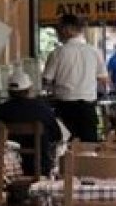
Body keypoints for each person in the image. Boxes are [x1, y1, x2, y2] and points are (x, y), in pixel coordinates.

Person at [0, 69, 62, 177]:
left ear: (9, 92)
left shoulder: (1, 110)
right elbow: (57, 136)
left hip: (10, 168)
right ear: (29, 89)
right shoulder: (44, 109)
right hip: (41, 167)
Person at [42, 13, 108, 142]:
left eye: (59, 29)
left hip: (65, 107)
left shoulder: (58, 53)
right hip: (87, 108)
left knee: (66, 146)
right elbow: (104, 80)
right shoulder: (94, 52)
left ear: (67, 29)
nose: (58, 33)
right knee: (89, 146)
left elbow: (46, 80)